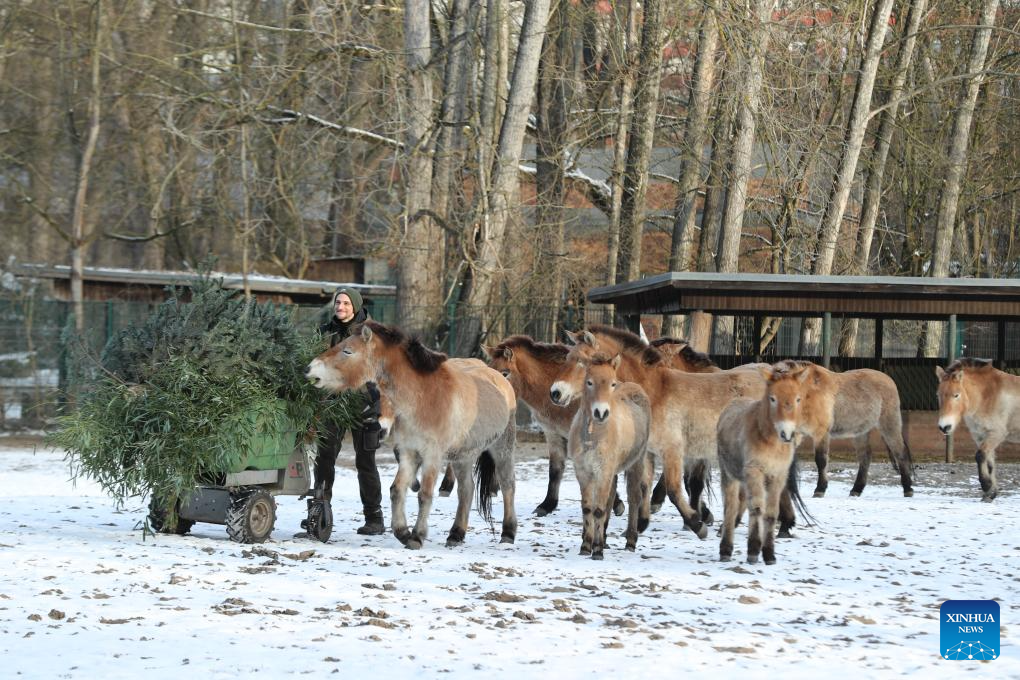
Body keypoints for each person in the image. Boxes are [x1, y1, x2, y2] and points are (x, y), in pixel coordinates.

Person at [314, 287, 385, 535]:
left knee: (365, 462)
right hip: (333, 405)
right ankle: (318, 514)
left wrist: (373, 400)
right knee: (324, 459)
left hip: (364, 406)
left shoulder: (371, 335)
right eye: (338, 303)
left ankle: (374, 519)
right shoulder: (325, 333)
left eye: (345, 303)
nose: (340, 307)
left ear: (355, 306)